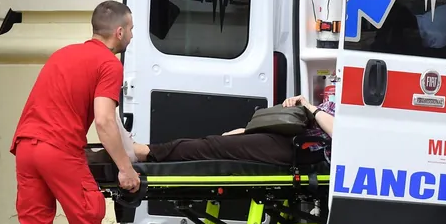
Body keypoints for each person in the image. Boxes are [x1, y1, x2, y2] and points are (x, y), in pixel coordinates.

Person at [8, 0, 143, 224]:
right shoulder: (108, 64)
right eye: (132, 29)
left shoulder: (63, 54)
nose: (132, 36)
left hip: (26, 146)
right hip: (59, 151)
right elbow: (104, 121)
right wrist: (126, 170)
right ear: (119, 31)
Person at [132, 95, 335, 165]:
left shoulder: (354, 114)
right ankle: (148, 151)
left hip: (302, 149)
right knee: (220, 140)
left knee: (215, 146)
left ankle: (147, 152)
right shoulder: (337, 103)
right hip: (288, 136)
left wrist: (309, 106)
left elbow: (339, 134)